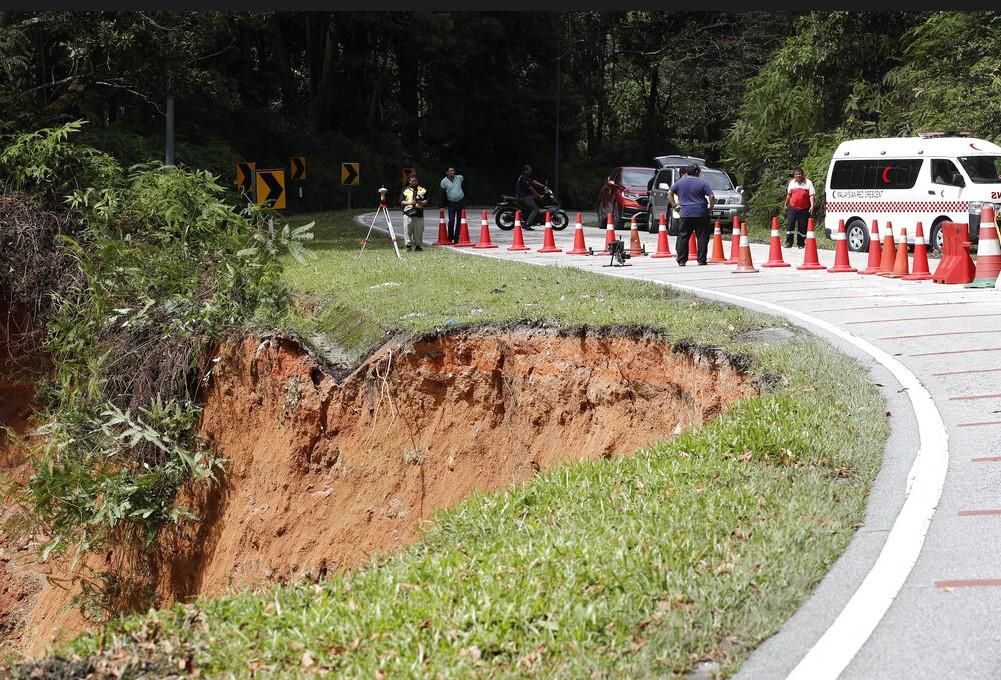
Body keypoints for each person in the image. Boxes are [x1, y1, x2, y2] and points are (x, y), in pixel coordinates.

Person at [668, 164, 715, 266]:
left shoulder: (680, 182)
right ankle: (701, 260)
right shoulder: (702, 182)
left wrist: (674, 206)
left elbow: (669, 193)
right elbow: (711, 196)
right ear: (697, 172)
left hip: (685, 213)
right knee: (702, 237)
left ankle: (681, 260)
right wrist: (711, 207)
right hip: (701, 213)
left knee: (683, 236)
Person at [784, 166, 815, 248]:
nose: (798, 175)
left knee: (802, 227)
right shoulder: (791, 183)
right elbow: (789, 195)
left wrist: (812, 205)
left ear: (802, 175)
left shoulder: (808, 183)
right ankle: (788, 243)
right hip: (792, 207)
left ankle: (800, 244)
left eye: (799, 174)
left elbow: (811, 195)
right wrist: (785, 204)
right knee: (790, 225)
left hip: (804, 209)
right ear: (794, 175)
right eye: (796, 174)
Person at [400, 173, 428, 251]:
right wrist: (409, 203)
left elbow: (426, 200)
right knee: (407, 230)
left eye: (416, 181)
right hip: (408, 214)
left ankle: (418, 246)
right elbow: (401, 201)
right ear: (409, 181)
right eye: (413, 181)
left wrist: (422, 203)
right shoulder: (405, 190)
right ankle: (408, 246)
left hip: (419, 214)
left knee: (418, 231)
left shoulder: (422, 189)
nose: (414, 182)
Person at [515, 164, 546, 230]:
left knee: (535, 198)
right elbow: (531, 188)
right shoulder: (523, 178)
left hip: (525, 196)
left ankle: (532, 218)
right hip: (523, 197)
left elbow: (534, 182)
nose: (531, 171)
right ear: (526, 171)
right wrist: (539, 196)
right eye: (530, 170)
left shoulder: (526, 177)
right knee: (535, 209)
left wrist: (543, 186)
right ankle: (527, 224)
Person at [440, 167, 465, 244]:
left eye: (453, 170)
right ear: (447, 172)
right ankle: (450, 237)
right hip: (451, 203)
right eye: (450, 171)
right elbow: (442, 195)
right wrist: (442, 206)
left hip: (460, 201)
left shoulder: (459, 178)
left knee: (459, 220)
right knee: (451, 220)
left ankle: (456, 238)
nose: (452, 172)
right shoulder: (443, 182)